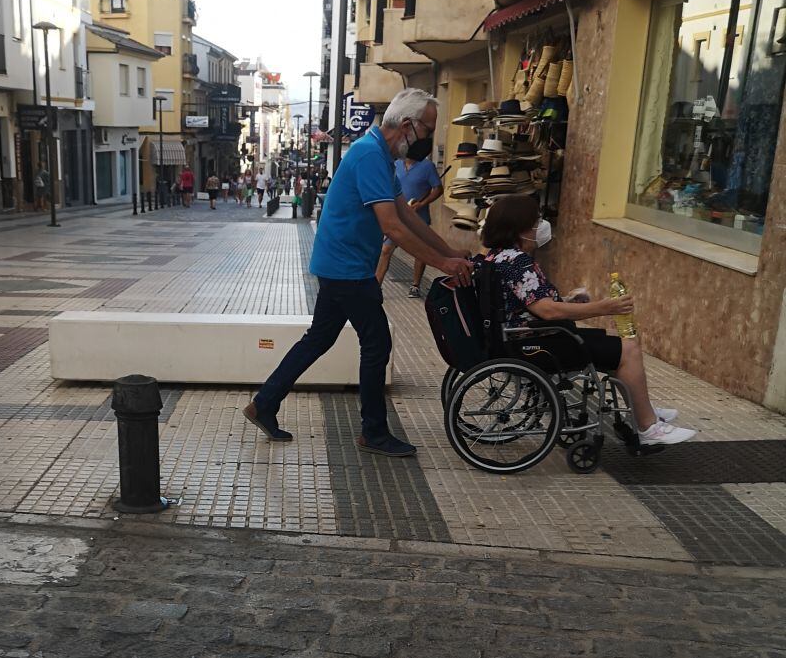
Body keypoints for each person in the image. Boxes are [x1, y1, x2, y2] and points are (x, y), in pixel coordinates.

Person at [244, 89, 473, 457]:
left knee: (319, 339)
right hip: (347, 267)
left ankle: (264, 404)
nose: (430, 139)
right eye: (428, 130)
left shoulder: (380, 155)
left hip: (341, 263)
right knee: (377, 341)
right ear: (408, 125)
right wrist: (443, 265)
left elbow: (408, 215)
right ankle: (374, 432)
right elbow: (392, 227)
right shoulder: (369, 155)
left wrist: (450, 251)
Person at [477, 195, 695, 446]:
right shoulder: (518, 262)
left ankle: (642, 408)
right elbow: (547, 311)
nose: (540, 227)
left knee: (611, 347)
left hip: (524, 336)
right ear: (520, 228)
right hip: (535, 342)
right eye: (535, 222)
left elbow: (528, 303)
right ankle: (648, 427)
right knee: (628, 349)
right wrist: (604, 307)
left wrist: (569, 300)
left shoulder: (497, 257)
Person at [375, 154, 444, 298]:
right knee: (386, 250)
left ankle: (415, 285)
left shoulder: (427, 166)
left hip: (418, 218)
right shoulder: (396, 165)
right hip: (397, 217)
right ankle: (377, 286)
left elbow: (438, 189)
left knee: (420, 251)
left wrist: (422, 204)